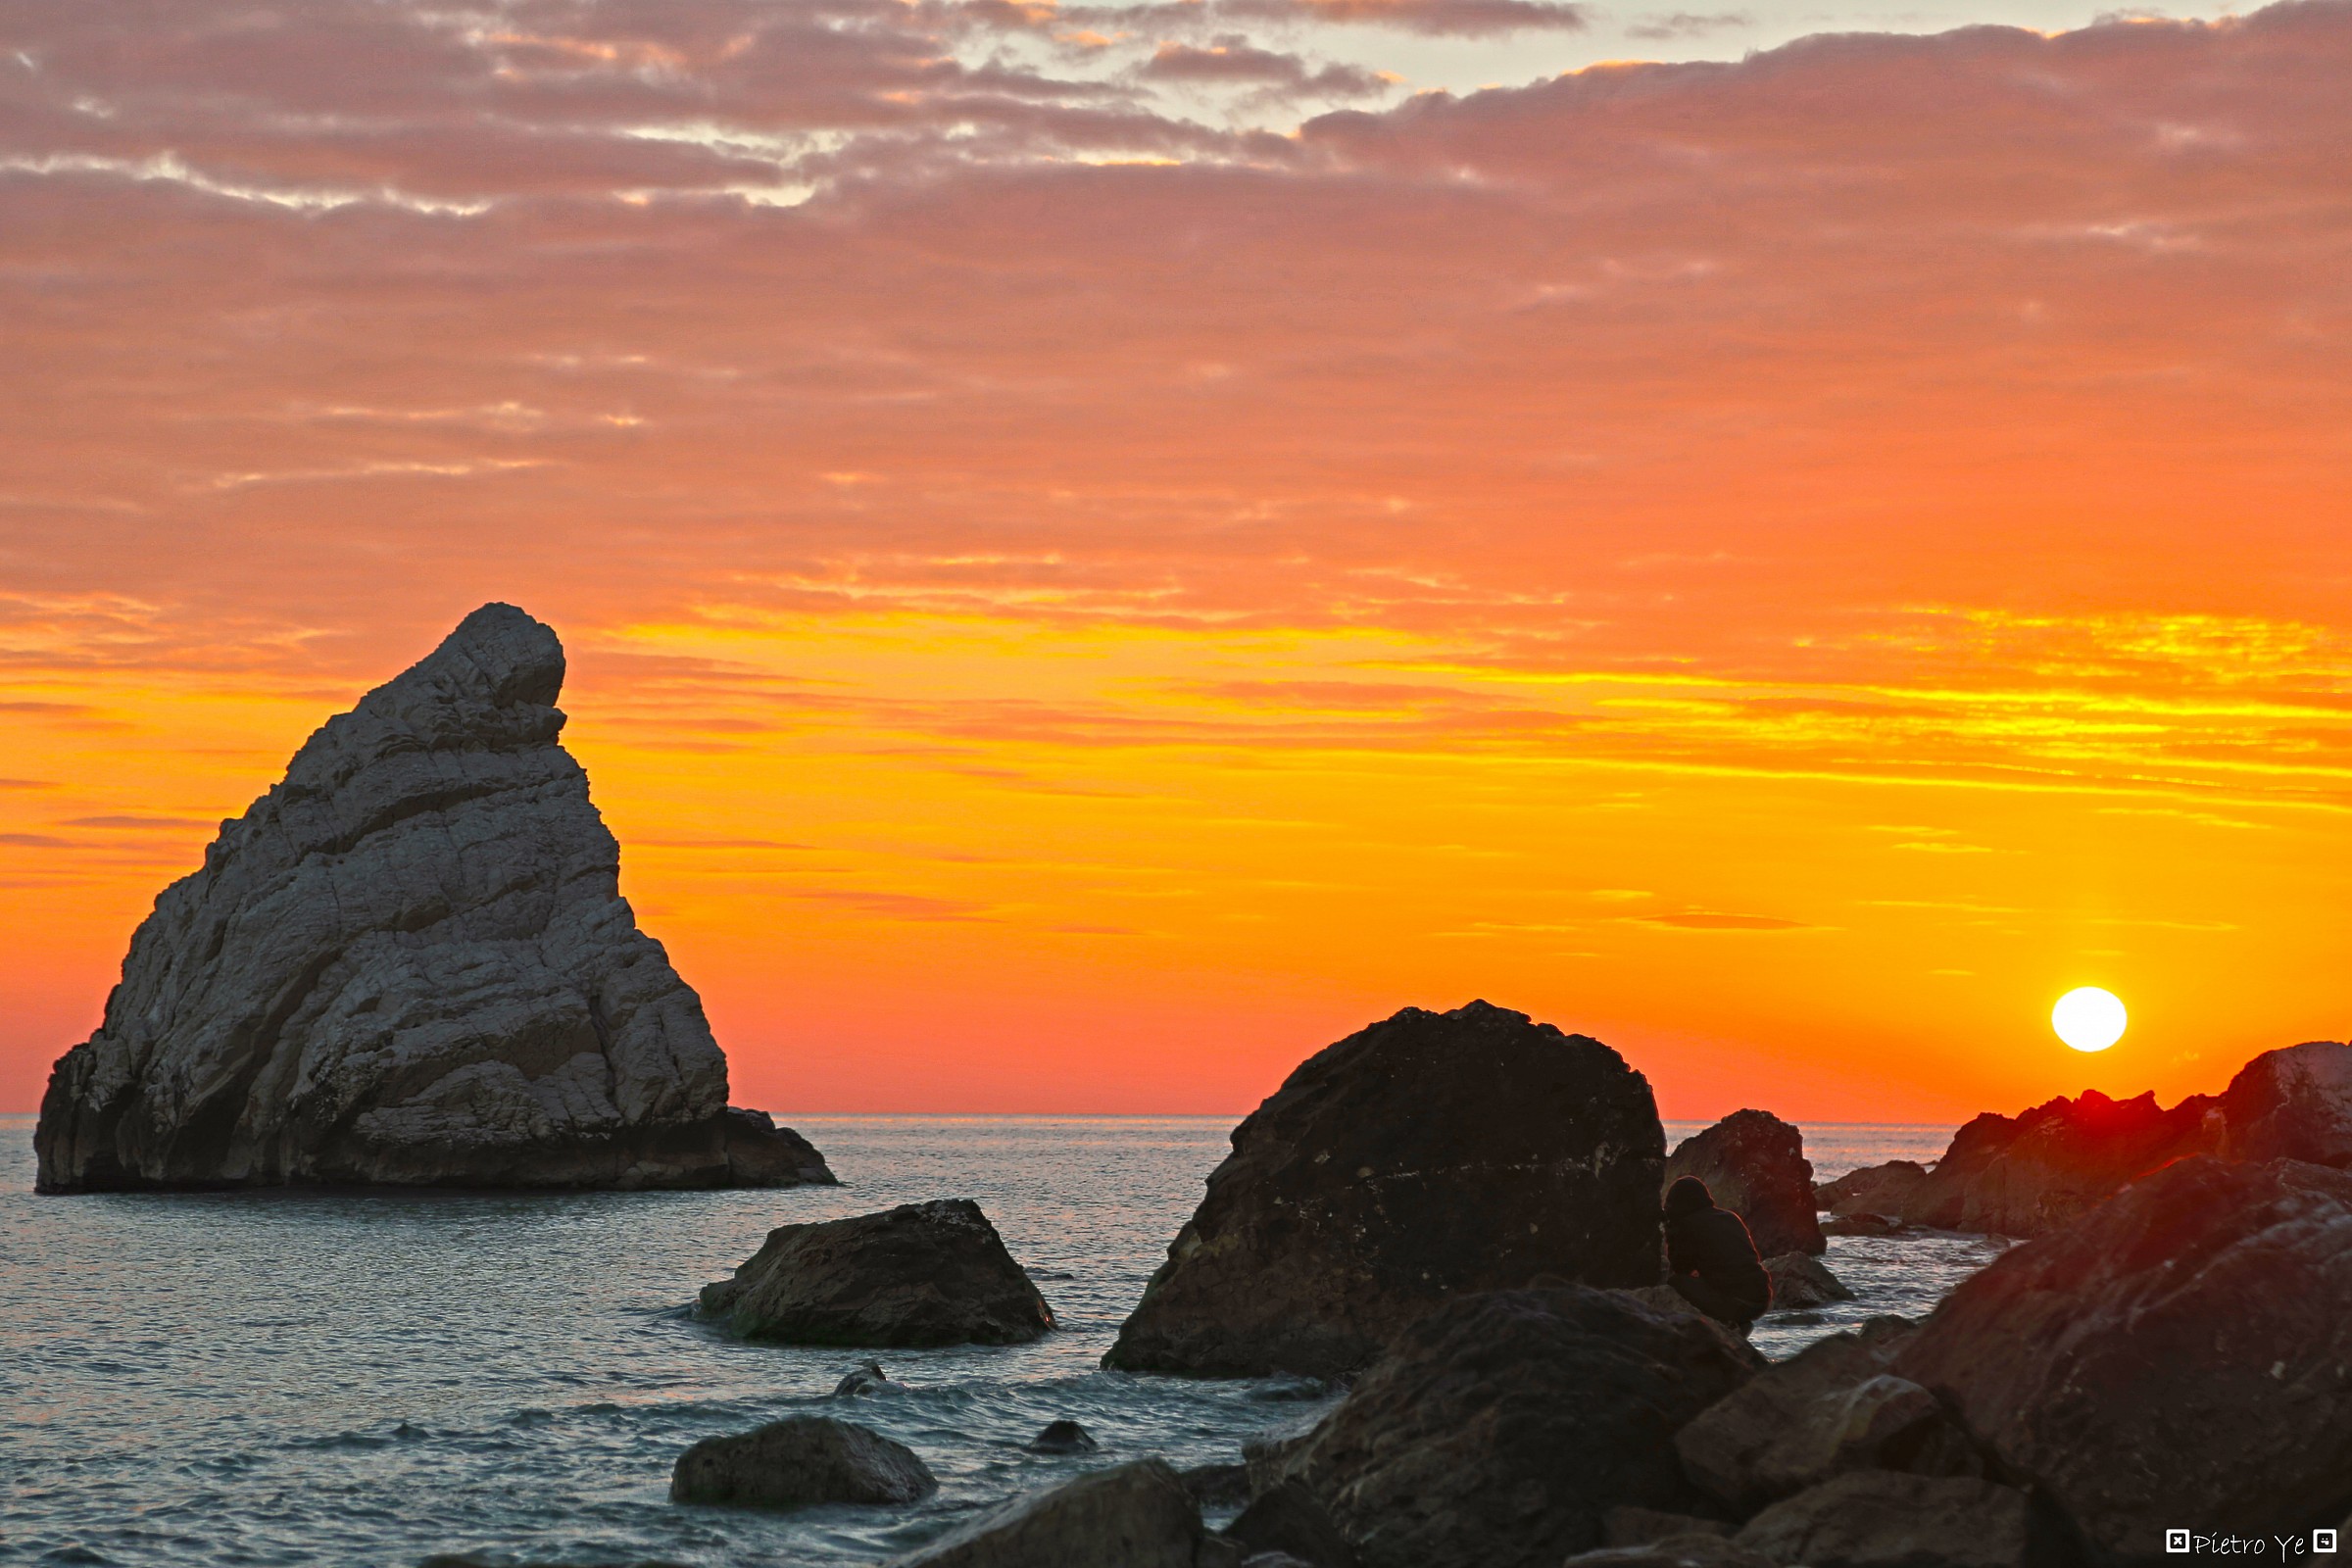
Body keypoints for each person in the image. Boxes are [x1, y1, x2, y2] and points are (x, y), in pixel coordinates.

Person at [1664, 1175, 1772, 1333]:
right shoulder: (1730, 1217)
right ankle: (1737, 1323)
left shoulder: (1688, 1226)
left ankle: (1725, 1325)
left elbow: (1680, 1267)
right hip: (1761, 1298)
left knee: (1676, 1282)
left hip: (1737, 1302)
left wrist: (1671, 1233)